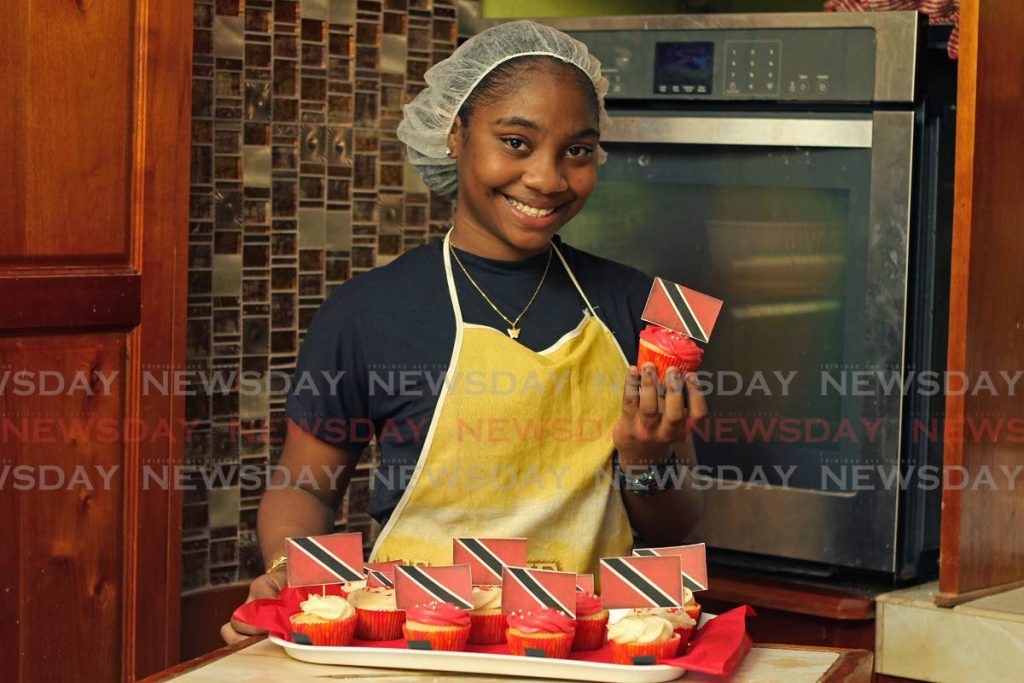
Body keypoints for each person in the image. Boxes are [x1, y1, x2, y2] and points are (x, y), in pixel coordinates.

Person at [221, 20, 707, 645]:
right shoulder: (366, 311)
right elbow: (304, 486)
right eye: (516, 142)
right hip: (409, 646)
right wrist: (291, 575)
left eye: (577, 150)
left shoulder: (649, 309)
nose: (549, 179)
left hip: (587, 651)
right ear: (455, 135)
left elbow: (677, 532)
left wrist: (648, 463)